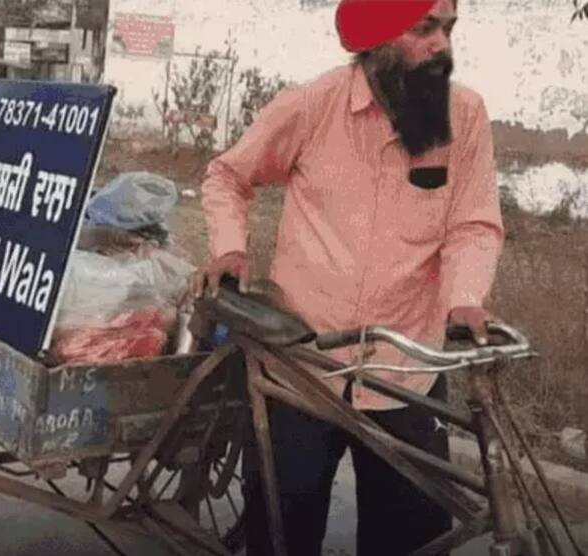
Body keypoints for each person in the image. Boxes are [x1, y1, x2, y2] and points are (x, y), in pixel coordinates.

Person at [190, 0, 504, 554]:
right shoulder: (315, 104)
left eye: (449, 29)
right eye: (424, 28)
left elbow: (473, 225)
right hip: (303, 368)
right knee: (281, 536)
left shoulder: (465, 116)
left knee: (411, 540)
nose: (443, 46)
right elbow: (227, 175)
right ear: (378, 38)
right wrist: (231, 249)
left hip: (405, 369)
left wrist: (465, 299)